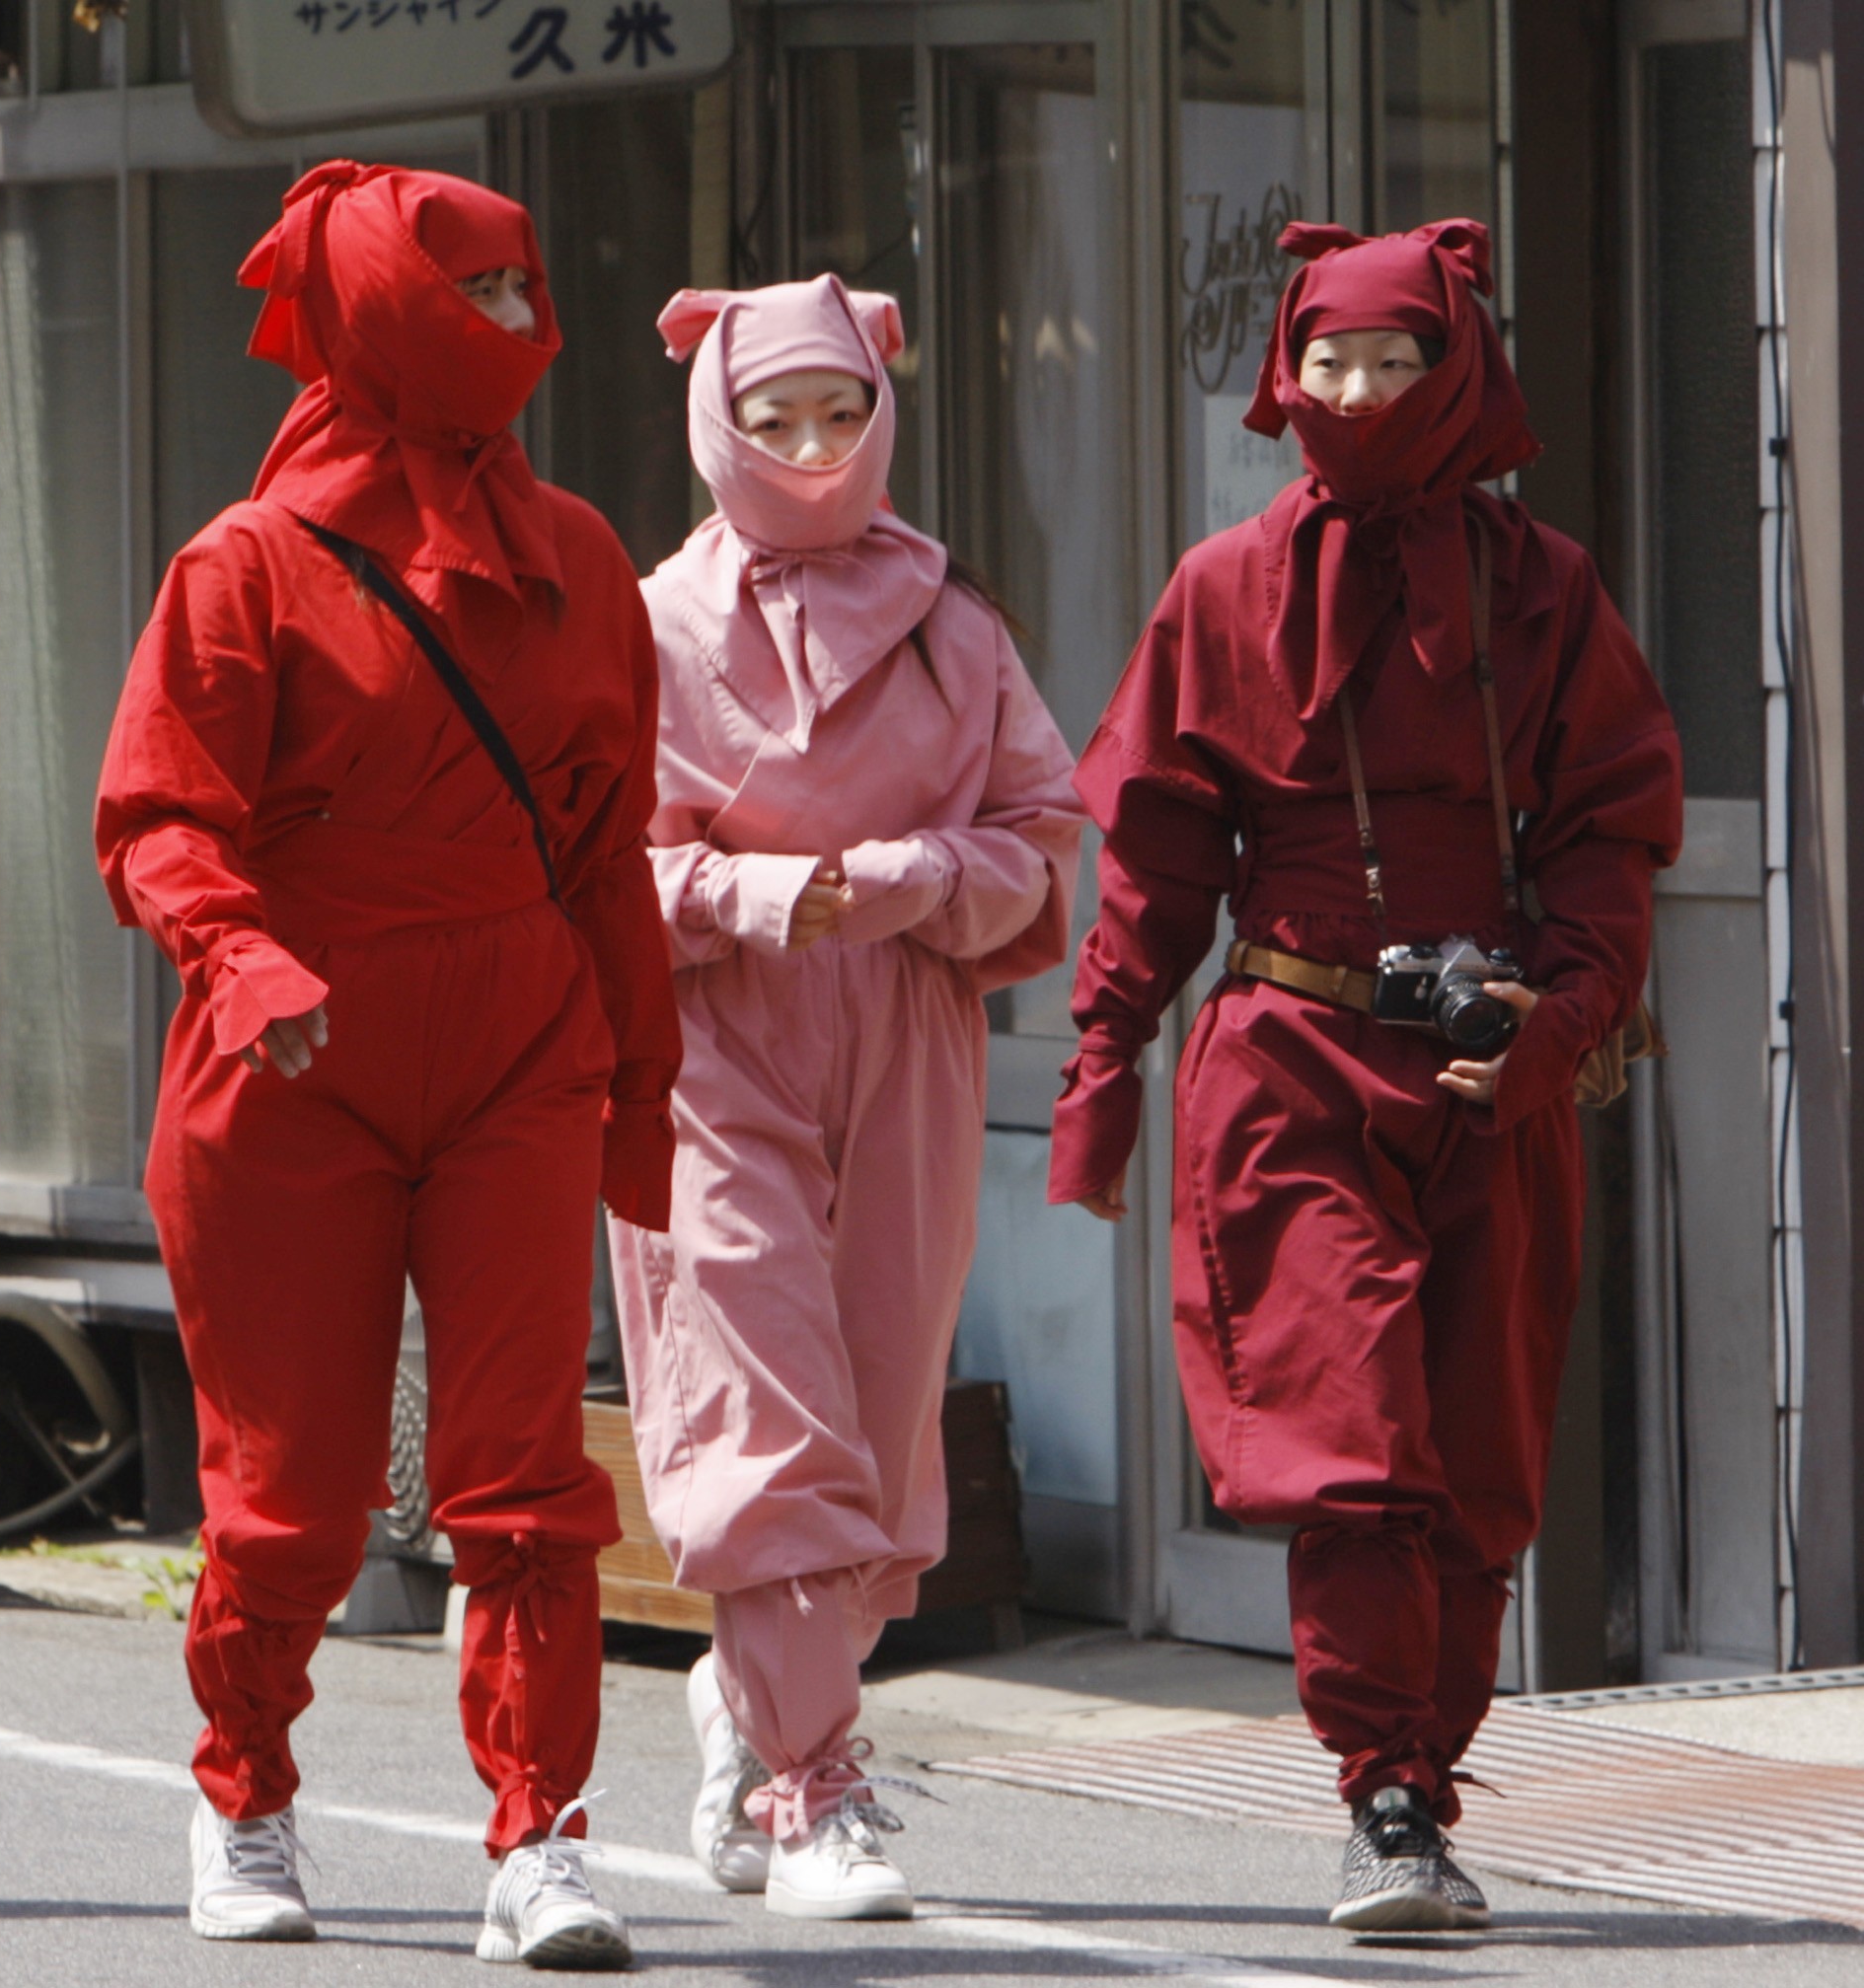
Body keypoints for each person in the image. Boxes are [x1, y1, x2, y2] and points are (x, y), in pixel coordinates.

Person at [1048, 219, 1680, 1931]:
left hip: (1497, 1069)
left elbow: (1613, 838)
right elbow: (1160, 854)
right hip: (1289, 1055)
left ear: (1460, 369)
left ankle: (1430, 1777)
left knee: (1477, 1463)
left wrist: (1561, 1017)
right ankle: (1384, 1795)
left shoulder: (1546, 587)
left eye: (1399, 363)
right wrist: (1105, 1054)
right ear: (1284, 373)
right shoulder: (1222, 589)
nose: (1361, 393)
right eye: (1329, 363)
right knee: (1352, 1446)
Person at [94, 161, 681, 1965]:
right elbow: (154, 819)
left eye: (523, 290)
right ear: (376, 310)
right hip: (293, 1056)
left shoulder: (581, 556)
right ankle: (246, 1792)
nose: (521, 326)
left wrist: (642, 1078)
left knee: (522, 1473)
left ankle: (541, 1837)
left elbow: (603, 851)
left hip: (514, 1035)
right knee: (296, 1493)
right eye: (479, 295)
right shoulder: (246, 564)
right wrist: (245, 954)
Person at [608, 276, 1082, 1920]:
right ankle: (816, 1788)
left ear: (883, 416)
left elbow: (1040, 838)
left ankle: (758, 1701)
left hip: (906, 1036)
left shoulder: (955, 624)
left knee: (881, 1425)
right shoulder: (653, 624)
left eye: (838, 414)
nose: (809, 450)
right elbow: (597, 862)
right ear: (712, 426)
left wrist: (904, 877)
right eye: (771, 418)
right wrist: (747, 901)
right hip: (715, 1044)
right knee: (768, 1406)